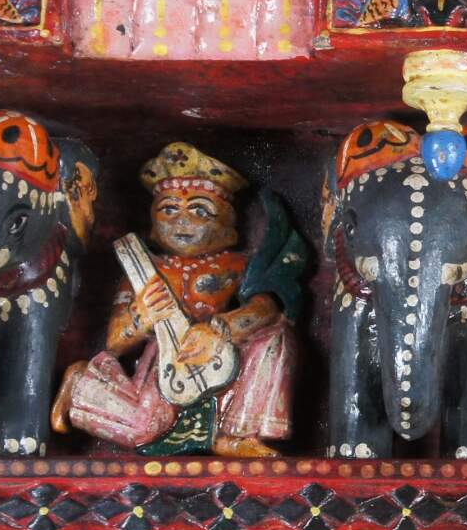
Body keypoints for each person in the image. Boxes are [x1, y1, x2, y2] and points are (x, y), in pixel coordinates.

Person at [52, 143, 307, 457]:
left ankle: (238, 433)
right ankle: (83, 386)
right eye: (169, 210)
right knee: (144, 426)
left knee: (277, 336)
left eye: (199, 210)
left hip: (223, 358)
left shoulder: (237, 266)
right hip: (167, 361)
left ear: (227, 222)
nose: (182, 221)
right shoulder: (145, 272)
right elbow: (115, 341)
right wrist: (141, 316)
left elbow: (266, 308)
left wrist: (220, 329)